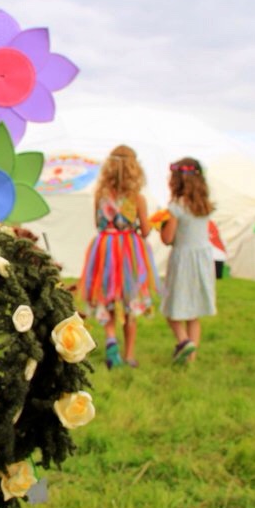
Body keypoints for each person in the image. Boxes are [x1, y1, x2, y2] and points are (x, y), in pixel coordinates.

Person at [79, 144, 157, 370]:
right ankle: (129, 354)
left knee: (108, 296)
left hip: (105, 249)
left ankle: (111, 339)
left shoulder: (100, 196)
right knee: (130, 299)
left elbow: (98, 224)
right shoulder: (137, 199)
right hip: (129, 252)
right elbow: (145, 228)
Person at [160, 157, 216, 364]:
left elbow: (168, 239)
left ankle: (184, 342)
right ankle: (190, 359)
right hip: (202, 261)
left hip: (183, 260)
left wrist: (161, 226)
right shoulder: (204, 205)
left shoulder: (176, 206)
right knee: (194, 313)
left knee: (171, 309)